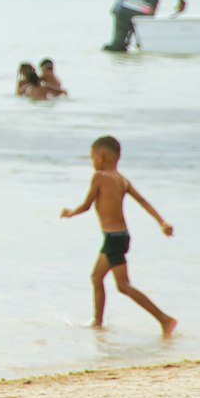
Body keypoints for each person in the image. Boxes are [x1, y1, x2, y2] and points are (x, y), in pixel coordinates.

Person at [61, 135, 176, 337]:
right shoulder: (121, 179)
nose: (92, 163)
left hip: (114, 238)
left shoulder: (100, 177)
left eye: (92, 158)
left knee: (123, 285)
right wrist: (161, 222)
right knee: (96, 278)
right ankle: (98, 323)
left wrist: (71, 213)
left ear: (101, 157)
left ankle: (165, 320)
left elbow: (87, 205)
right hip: (119, 237)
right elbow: (143, 201)